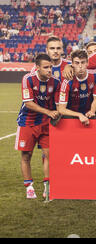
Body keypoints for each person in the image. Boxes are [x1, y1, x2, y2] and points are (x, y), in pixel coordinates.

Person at [15, 53, 60, 199]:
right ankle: (29, 186)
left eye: (51, 67)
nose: (49, 70)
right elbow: (28, 103)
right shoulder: (28, 79)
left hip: (46, 123)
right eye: (46, 67)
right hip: (27, 122)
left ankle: (48, 187)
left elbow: (58, 104)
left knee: (50, 154)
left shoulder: (56, 82)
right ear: (37, 68)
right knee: (26, 155)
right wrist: (48, 111)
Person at [57, 50, 96, 126]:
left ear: (87, 63)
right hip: (73, 117)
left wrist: (92, 111)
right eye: (77, 63)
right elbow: (61, 109)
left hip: (90, 115)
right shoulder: (67, 81)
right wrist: (79, 115)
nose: (80, 66)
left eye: (83, 62)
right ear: (72, 64)